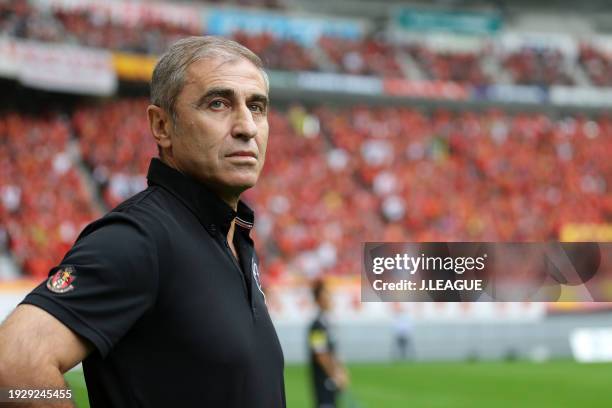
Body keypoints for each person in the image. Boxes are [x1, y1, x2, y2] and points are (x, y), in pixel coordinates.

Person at [0, 36, 285, 407]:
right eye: (218, 104)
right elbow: (12, 366)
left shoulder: (233, 236)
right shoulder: (140, 237)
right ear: (162, 126)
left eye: (257, 107)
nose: (247, 126)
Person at [308, 279, 349, 408]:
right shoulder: (317, 326)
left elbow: (332, 352)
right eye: (326, 295)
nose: (329, 298)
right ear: (319, 300)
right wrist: (335, 374)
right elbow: (321, 355)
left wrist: (341, 371)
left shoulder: (328, 323)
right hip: (323, 381)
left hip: (331, 381)